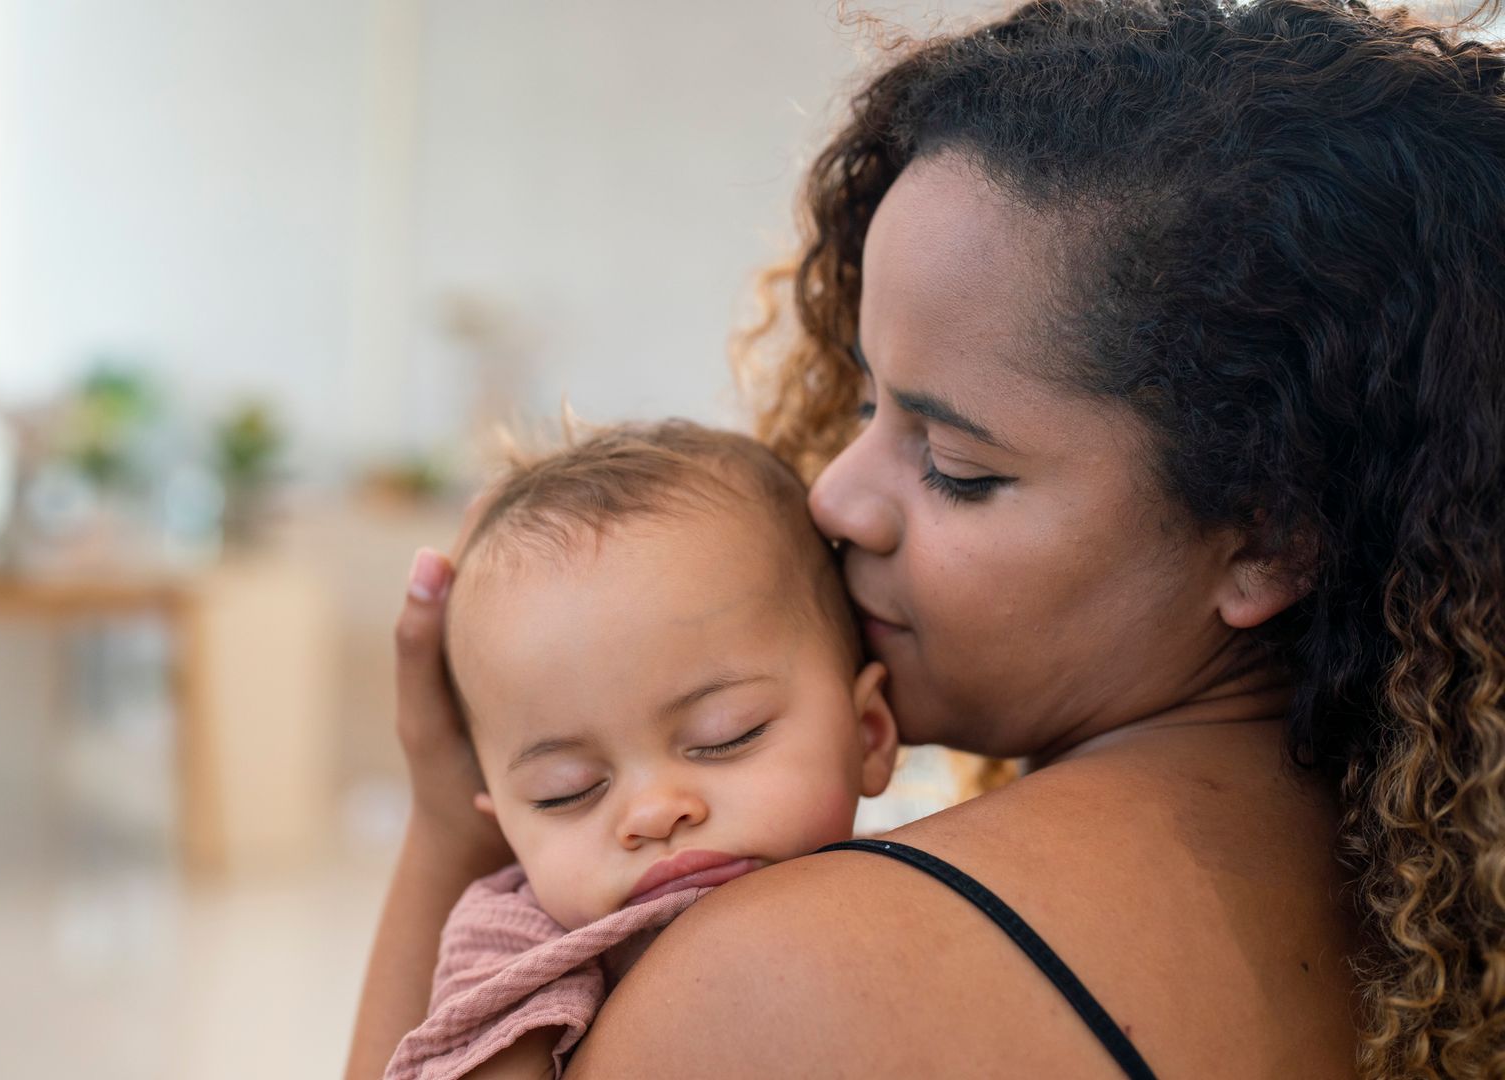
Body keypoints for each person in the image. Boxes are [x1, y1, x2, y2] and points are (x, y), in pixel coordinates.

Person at [347, 0, 1505, 1074]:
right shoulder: (1435, 906)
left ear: (1271, 540)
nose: (838, 495)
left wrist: (450, 838)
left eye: (958, 469)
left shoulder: (783, 981)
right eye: (864, 405)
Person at [383, 421, 898, 1079]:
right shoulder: (515, 950)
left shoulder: (920, 880)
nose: (654, 812)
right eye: (565, 791)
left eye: (726, 735)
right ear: (505, 826)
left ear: (869, 734)